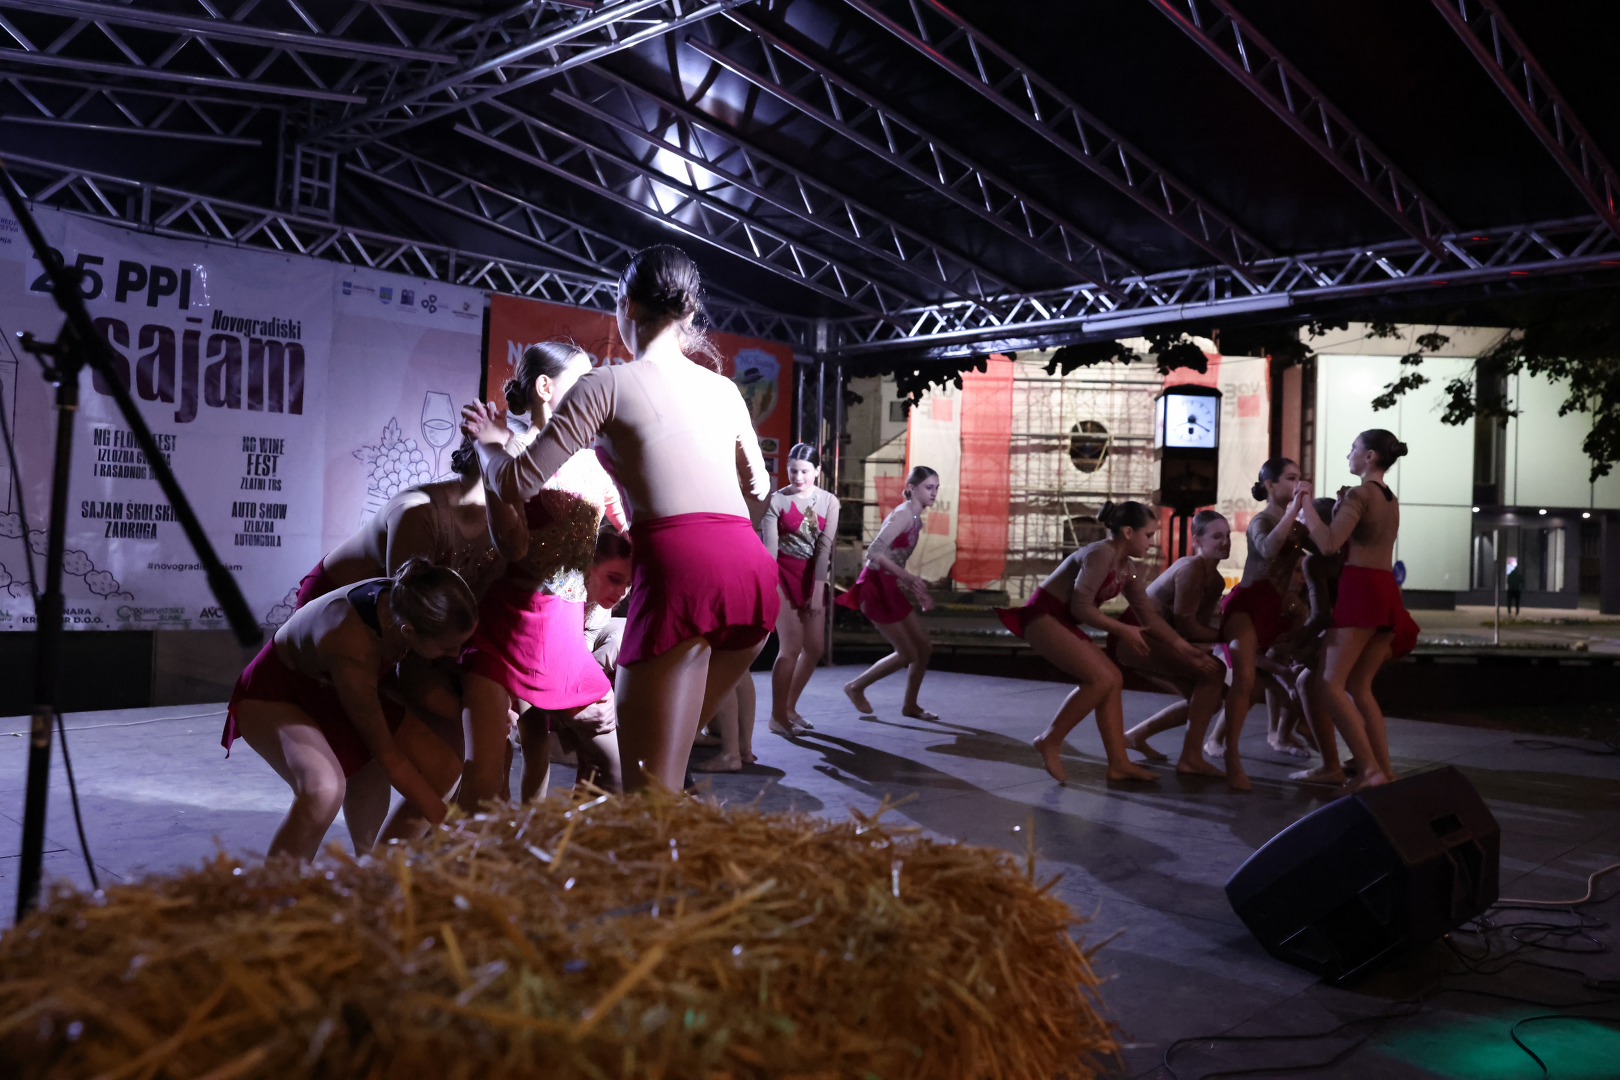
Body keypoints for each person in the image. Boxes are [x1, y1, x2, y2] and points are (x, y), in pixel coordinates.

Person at [463, 245, 778, 793]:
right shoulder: (725, 389)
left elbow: (515, 482)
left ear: (625, 304)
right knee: (665, 771)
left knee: (644, 784)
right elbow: (760, 489)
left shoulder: (606, 384)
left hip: (680, 568)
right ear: (689, 312)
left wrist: (490, 444)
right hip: (750, 574)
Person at [457, 341, 625, 812]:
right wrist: (491, 454)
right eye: (582, 382)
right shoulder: (514, 452)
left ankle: (570, 845)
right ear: (546, 388)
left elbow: (630, 529)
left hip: (564, 637)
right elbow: (513, 547)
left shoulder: (594, 462)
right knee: (485, 784)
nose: (593, 393)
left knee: (614, 770)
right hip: (509, 631)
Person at [221, 559, 475, 860]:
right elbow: (389, 757)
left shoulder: (407, 600)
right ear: (408, 632)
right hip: (279, 692)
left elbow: (413, 691)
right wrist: (450, 824)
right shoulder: (353, 645)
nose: (455, 654)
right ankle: (277, 887)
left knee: (444, 767)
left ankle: (378, 874)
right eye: (446, 648)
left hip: (338, 685)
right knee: (323, 789)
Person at [995, 501, 1181, 785]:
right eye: (1148, 535)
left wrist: (1184, 648)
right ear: (1128, 532)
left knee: (1112, 679)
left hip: (1060, 619)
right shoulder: (1100, 554)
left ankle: (1118, 763)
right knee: (1102, 678)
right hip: (1043, 616)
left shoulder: (1128, 569)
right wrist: (1123, 630)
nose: (1152, 543)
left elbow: (1149, 616)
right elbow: (1081, 608)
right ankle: (1050, 740)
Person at [1299, 429, 1411, 790]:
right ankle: (1383, 771)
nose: (1349, 454)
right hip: (1384, 590)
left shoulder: (1361, 494)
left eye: (1353, 448)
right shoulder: (1390, 498)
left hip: (1360, 590)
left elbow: (1329, 544)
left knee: (1329, 683)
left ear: (1370, 457)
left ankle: (1369, 770)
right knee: (1360, 687)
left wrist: (1305, 506)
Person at [294, 435, 504, 607]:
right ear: (483, 457)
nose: (521, 473)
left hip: (401, 620)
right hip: (337, 607)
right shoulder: (418, 510)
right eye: (516, 461)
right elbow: (406, 605)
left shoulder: (503, 518)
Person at [1210, 457, 1312, 792]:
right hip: (1249, 604)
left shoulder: (1296, 524)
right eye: (1290, 478)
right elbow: (1268, 550)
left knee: (1277, 677)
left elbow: (1327, 547)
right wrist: (1294, 510)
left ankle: (1280, 735)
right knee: (1246, 682)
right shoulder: (1263, 519)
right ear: (1270, 485)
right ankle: (1230, 755)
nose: (1298, 484)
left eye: (1300, 478)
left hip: (1277, 608)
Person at [518, 527, 634, 799]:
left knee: (604, 759)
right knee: (533, 741)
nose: (621, 592)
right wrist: (573, 705)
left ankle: (582, 812)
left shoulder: (601, 606)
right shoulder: (557, 590)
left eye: (628, 584)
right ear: (588, 566)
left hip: (564, 664)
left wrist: (587, 696)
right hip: (526, 659)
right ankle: (527, 818)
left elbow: (582, 652)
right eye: (614, 579)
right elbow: (535, 652)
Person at [1118, 509, 1231, 778]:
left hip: (1158, 640)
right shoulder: (1191, 568)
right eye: (1217, 536)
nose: (1225, 542)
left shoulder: (1215, 579)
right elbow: (1188, 627)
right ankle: (1190, 757)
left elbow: (1195, 630)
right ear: (1197, 541)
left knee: (1211, 699)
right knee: (1214, 672)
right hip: (1138, 638)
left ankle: (1134, 736)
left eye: (1228, 536)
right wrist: (1234, 635)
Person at [838, 466, 940, 720]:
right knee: (907, 653)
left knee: (924, 648)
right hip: (874, 588)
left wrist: (913, 586)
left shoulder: (915, 518)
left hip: (889, 586)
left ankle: (910, 705)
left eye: (936, 488)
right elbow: (874, 552)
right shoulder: (903, 515)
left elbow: (894, 558)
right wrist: (906, 577)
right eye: (929, 487)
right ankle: (855, 687)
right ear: (912, 488)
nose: (934, 493)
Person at [762, 442, 840, 736]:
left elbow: (824, 548)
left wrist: (818, 589)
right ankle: (777, 716)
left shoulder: (829, 502)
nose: (798, 477)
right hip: (782, 575)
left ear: (817, 471)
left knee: (815, 647)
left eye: (805, 471)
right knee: (791, 646)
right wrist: (769, 587)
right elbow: (770, 552)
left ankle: (789, 708)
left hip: (812, 577)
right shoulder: (776, 501)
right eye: (793, 470)